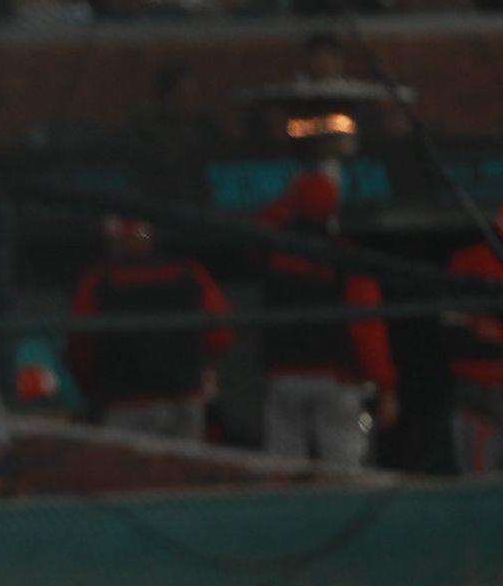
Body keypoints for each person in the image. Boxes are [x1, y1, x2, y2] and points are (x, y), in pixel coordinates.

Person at [259, 172, 398, 466]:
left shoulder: (274, 249)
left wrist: (288, 197)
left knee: (283, 471)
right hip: (338, 378)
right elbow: (366, 327)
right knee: (344, 468)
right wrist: (385, 386)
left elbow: (259, 227)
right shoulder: (345, 257)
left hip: (285, 375)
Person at [68, 217, 233, 440]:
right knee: (184, 470)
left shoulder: (99, 279)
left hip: (123, 404)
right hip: (183, 397)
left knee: (129, 472)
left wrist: (94, 389)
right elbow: (220, 336)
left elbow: (81, 347)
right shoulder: (187, 272)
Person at [443, 210, 503, 473]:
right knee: (478, 483)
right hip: (480, 386)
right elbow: (453, 334)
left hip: (481, 385)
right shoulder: (467, 262)